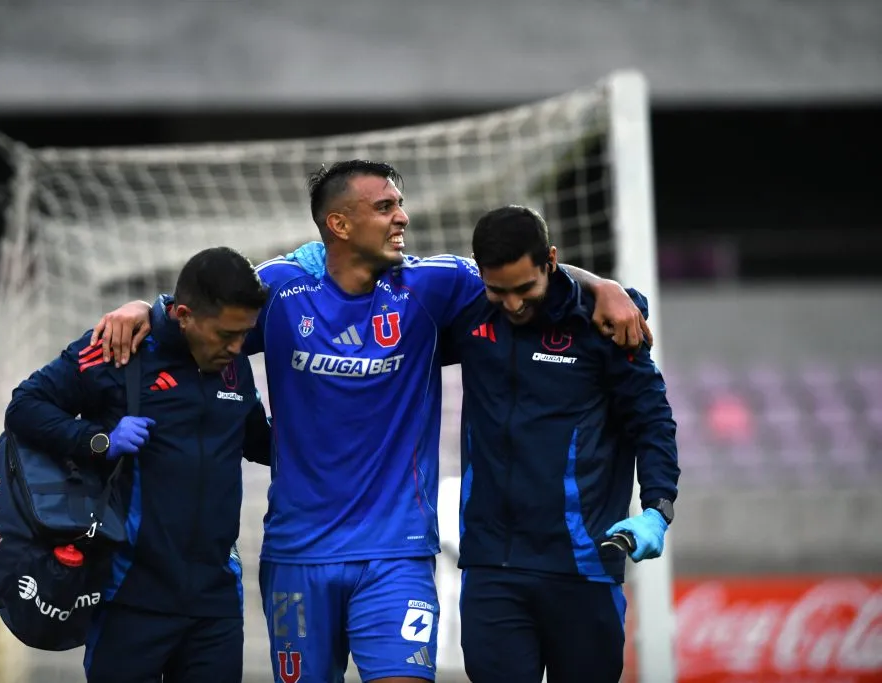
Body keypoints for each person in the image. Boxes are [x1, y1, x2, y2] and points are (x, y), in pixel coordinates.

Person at [89, 160, 650, 683]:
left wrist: (603, 286)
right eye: (384, 207)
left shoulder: (433, 285)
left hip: (397, 552)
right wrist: (148, 308)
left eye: (398, 203)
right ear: (338, 223)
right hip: (297, 553)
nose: (402, 216)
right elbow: (204, 317)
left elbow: (527, 276)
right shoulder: (283, 289)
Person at [5, 246, 273, 683]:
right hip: (129, 597)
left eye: (245, 334)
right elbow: (25, 407)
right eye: (226, 334)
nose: (238, 347)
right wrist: (98, 441)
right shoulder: (120, 349)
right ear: (184, 315)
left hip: (216, 603)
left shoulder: (234, 367)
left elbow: (260, 443)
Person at [446, 205, 679, 683]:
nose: (511, 304)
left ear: (551, 261)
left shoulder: (606, 325)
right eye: (497, 290)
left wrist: (658, 507)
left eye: (524, 289)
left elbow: (652, 420)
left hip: (584, 565)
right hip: (493, 567)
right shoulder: (469, 314)